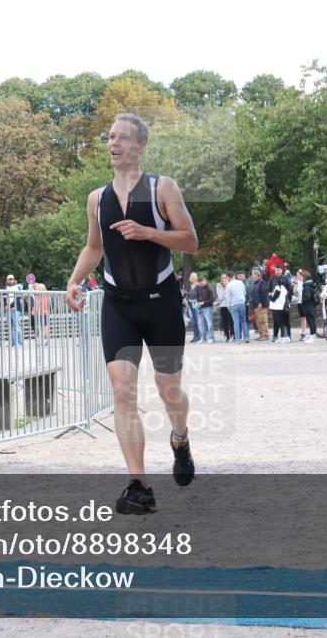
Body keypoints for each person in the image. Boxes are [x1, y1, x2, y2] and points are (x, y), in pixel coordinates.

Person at [63, 112, 197, 514]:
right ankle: (138, 484)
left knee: (169, 389)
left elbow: (190, 241)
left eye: (122, 138)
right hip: (118, 305)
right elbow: (94, 247)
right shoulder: (96, 198)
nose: (113, 144)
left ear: (141, 146)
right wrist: (74, 280)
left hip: (162, 303)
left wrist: (148, 233)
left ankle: (180, 438)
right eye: (109, 137)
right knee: (123, 393)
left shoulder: (162, 188)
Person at [267, 265, 292, 343]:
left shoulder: (286, 278)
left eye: (279, 270)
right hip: (275, 304)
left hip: (284, 302)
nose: (277, 272)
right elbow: (268, 288)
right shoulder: (272, 278)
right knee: (276, 320)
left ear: (282, 271)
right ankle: (275, 335)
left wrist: (288, 299)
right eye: (276, 270)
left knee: (286, 320)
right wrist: (270, 293)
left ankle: (288, 335)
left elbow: (290, 289)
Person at [226, 271, 249, 343]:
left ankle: (238, 339)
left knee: (236, 322)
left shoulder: (228, 285)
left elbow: (228, 298)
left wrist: (228, 307)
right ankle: (246, 337)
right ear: (234, 276)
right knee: (243, 321)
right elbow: (244, 292)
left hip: (234, 304)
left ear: (228, 277)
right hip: (242, 303)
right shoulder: (240, 282)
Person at [250, 269, 271, 341]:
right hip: (256, 306)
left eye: (253, 275)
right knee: (258, 322)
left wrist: (261, 303)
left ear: (256, 275)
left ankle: (266, 336)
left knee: (263, 321)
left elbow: (264, 294)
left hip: (261, 306)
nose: (252, 276)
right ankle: (261, 335)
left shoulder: (262, 282)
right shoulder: (256, 283)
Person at [299, 270, 319, 343]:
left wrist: (303, 300)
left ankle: (312, 335)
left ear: (304, 277)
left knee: (311, 321)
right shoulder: (311, 284)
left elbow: (307, 297)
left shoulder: (306, 286)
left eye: (301, 276)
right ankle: (313, 335)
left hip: (308, 306)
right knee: (312, 321)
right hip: (311, 306)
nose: (300, 278)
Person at [215, 274, 234, 342]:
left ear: (228, 281)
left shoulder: (231, 287)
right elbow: (220, 298)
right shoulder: (220, 288)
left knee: (230, 322)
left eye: (226, 281)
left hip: (229, 306)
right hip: (222, 306)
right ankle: (226, 336)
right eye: (224, 281)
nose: (225, 282)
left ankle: (232, 335)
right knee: (224, 322)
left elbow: (231, 297)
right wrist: (224, 294)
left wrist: (227, 294)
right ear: (222, 282)